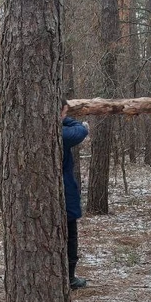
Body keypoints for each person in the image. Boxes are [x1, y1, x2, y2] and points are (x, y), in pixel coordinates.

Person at [61, 99, 90, 289]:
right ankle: (69, 277)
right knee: (70, 234)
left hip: (61, 187)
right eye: (64, 111)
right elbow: (81, 130)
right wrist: (64, 118)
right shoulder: (61, 133)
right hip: (63, 189)